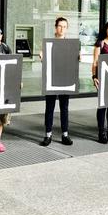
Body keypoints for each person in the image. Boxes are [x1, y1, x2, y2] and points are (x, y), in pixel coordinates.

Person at [40, 17, 74, 147]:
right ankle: (48, 134)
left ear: (67, 28)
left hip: (65, 79)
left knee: (64, 108)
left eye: (64, 26)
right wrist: (42, 56)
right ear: (55, 27)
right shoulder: (49, 43)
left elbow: (73, 61)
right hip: (52, 79)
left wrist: (78, 57)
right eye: (60, 26)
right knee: (50, 107)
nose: (62, 29)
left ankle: (65, 134)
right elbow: (45, 58)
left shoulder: (71, 45)